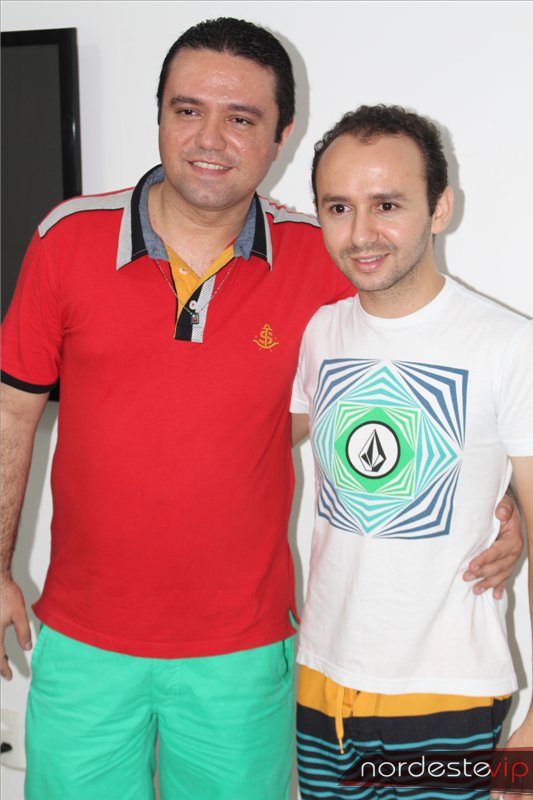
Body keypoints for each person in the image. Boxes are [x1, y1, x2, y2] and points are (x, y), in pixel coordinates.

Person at [0, 19, 522, 800]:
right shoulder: (67, 237)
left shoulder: (326, 255)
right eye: (187, 110)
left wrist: (503, 499)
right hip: (81, 642)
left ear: (280, 136)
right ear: (159, 117)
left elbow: (434, 355)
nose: (210, 139)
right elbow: (10, 416)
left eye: (240, 117)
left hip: (245, 654)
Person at [291, 104, 533, 799]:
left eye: (387, 205)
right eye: (338, 207)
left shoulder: (508, 344)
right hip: (323, 682)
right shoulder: (319, 332)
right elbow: (245, 444)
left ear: (439, 208)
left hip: (447, 694)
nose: (360, 233)